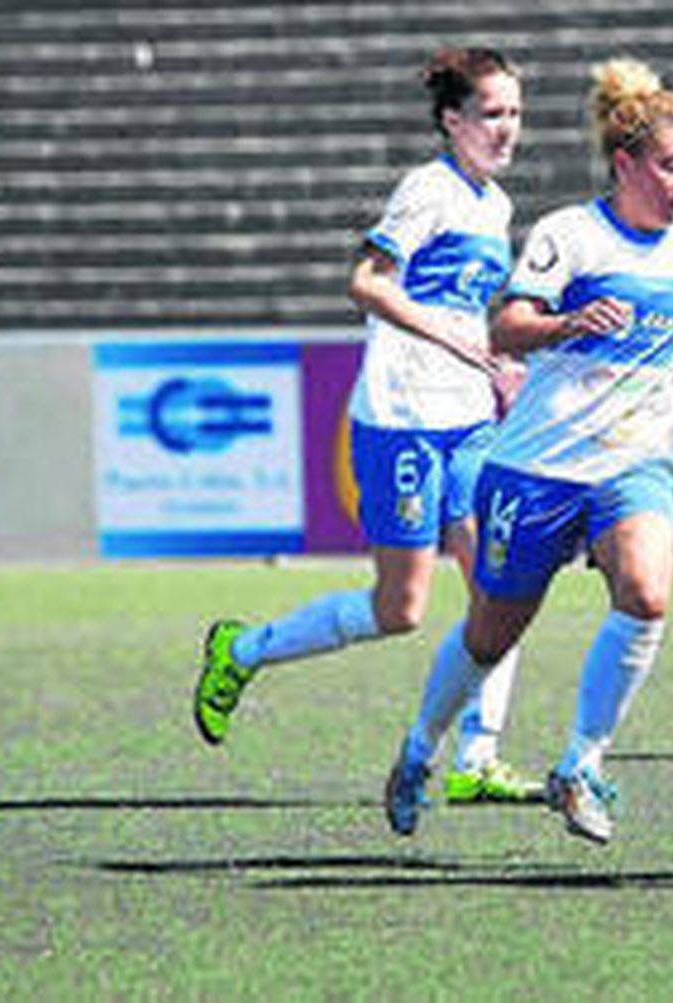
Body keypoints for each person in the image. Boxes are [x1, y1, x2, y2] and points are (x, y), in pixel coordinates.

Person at [383, 57, 673, 844]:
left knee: (647, 595)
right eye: (671, 165)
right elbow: (505, 325)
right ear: (627, 163)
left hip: (635, 463)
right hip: (539, 466)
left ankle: (581, 763)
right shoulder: (570, 235)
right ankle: (418, 750)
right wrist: (565, 325)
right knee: (492, 632)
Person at [193, 47, 539, 804]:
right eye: (491, 113)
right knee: (401, 610)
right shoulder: (428, 189)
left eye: (514, 112)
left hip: (469, 421)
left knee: (502, 583)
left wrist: (494, 370)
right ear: (453, 120)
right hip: (403, 420)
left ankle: (476, 758)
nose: (507, 128)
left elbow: (467, 311)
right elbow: (367, 282)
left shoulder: (495, 205)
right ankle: (242, 649)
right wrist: (453, 340)